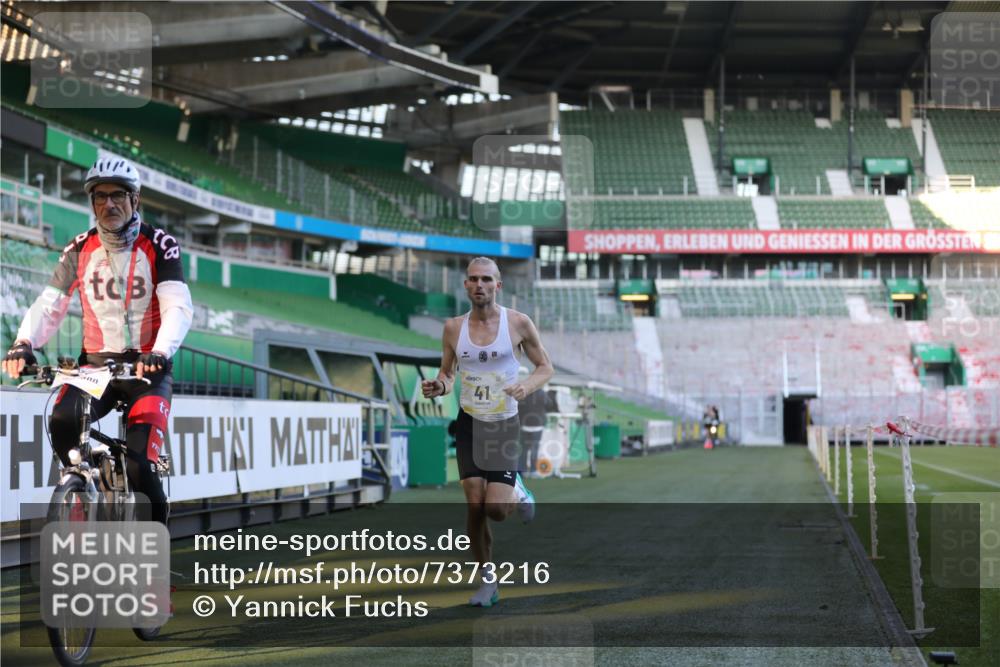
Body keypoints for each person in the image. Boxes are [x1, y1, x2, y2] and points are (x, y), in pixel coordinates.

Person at [2, 156, 194, 527]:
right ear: (92, 203)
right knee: (62, 419)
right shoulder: (79, 247)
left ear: (135, 199)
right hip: (95, 368)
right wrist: (23, 342)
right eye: (100, 196)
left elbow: (178, 306)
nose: (109, 204)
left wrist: (159, 352)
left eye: (118, 195)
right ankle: (82, 484)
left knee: (140, 468)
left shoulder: (160, 244)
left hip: (146, 370)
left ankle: (155, 549)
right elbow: (50, 305)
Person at [422, 257, 553, 607]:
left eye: (486, 279)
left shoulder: (518, 323)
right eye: (473, 279)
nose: (479, 285)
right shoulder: (453, 328)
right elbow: (448, 373)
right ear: (466, 285)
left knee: (495, 509)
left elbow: (545, 367)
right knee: (475, 506)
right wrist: (439, 385)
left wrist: (526, 386)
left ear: (498, 285)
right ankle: (487, 582)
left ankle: (518, 491)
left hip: (503, 424)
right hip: (470, 423)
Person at [516, 366, 549, 476]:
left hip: (524, 425)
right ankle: (533, 471)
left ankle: (523, 471)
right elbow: (549, 405)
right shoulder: (542, 393)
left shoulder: (523, 393)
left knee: (524, 450)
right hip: (537, 426)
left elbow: (518, 409)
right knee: (534, 449)